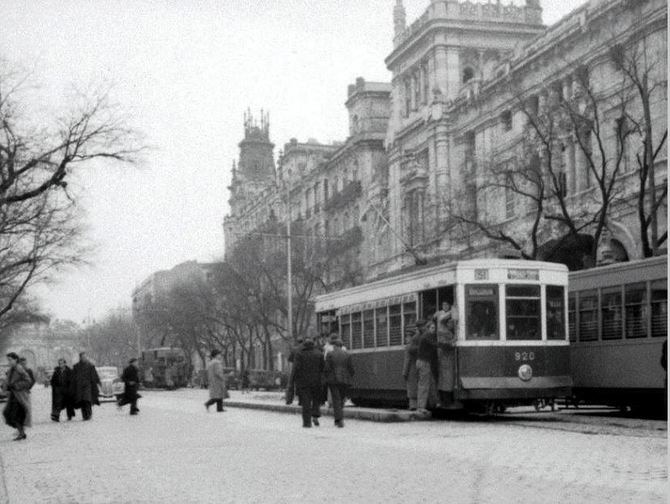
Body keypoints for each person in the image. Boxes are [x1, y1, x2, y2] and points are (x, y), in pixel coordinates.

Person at [293, 338, 324, 428]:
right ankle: (315, 415)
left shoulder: (300, 354)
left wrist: (295, 380)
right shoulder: (319, 353)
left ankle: (307, 422)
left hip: (303, 382)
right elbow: (323, 367)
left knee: (306, 402)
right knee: (316, 400)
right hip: (316, 381)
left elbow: (296, 368)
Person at [324, 338, 354, 427]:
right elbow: (351, 368)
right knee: (341, 399)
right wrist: (349, 376)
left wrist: (327, 377)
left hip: (333, 379)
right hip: (345, 380)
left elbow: (327, 368)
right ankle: (339, 418)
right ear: (342, 346)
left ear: (335, 346)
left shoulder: (330, 354)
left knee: (336, 399)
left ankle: (339, 419)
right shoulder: (347, 354)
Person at [2, 352, 32, 440]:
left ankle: (21, 433)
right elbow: (8, 381)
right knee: (7, 413)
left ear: (15, 359)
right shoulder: (11, 369)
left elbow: (28, 381)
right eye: (8, 360)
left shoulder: (19, 368)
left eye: (10, 360)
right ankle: (21, 432)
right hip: (13, 396)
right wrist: (5, 387)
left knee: (15, 415)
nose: (9, 362)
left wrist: (16, 385)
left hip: (20, 396)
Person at [435, 301, 458, 401]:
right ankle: (446, 398)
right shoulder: (443, 330)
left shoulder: (448, 331)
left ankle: (446, 397)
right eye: (449, 323)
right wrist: (453, 309)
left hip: (447, 357)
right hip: (445, 356)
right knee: (446, 379)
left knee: (447, 379)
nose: (450, 324)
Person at [415, 321, 439, 416]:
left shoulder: (426, 336)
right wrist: (449, 344)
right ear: (428, 328)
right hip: (424, 362)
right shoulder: (427, 336)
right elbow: (435, 345)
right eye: (432, 328)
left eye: (435, 328)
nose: (434, 330)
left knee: (432, 383)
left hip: (424, 362)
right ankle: (421, 407)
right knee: (424, 385)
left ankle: (435, 403)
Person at [402, 319, 424, 411]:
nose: (406, 339)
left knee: (411, 389)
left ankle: (413, 406)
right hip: (418, 369)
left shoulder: (409, 347)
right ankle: (418, 405)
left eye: (407, 337)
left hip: (411, 370)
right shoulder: (418, 345)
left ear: (410, 337)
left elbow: (407, 361)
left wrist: (404, 372)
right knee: (418, 387)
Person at [71, 352, 101, 421]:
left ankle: (89, 414)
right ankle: (84, 415)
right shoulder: (76, 366)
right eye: (82, 357)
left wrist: (98, 382)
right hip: (79, 387)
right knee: (82, 401)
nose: (84, 358)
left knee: (87, 400)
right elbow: (73, 378)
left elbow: (94, 375)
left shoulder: (90, 366)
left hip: (88, 386)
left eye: (85, 357)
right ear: (80, 358)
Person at [285, 337, 304, 405]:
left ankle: (289, 400)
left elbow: (290, 359)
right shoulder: (305, 349)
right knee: (302, 385)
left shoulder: (294, 349)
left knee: (291, 384)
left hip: (295, 369)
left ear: (297, 342)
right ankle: (301, 400)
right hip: (304, 369)